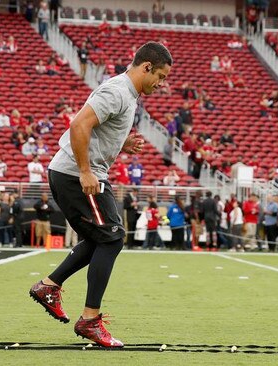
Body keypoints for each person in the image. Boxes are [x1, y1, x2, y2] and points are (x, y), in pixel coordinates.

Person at [29, 42, 172, 348]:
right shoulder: (118, 91)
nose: (162, 84)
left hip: (76, 172)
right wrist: (84, 171)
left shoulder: (129, 94)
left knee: (101, 238)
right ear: (146, 67)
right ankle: (90, 320)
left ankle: (49, 286)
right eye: (160, 76)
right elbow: (79, 124)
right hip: (75, 174)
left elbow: (97, 132)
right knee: (112, 237)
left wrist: (121, 146)